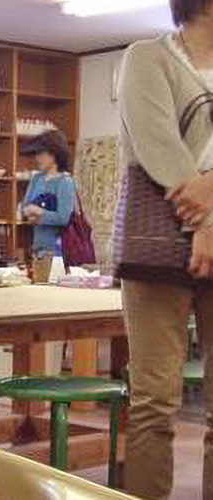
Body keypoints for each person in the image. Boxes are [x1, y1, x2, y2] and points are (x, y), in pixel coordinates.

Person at [114, 1, 213, 498]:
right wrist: (207, 221)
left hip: (196, 226)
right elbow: (157, 146)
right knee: (154, 401)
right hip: (155, 241)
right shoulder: (147, 57)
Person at [20, 129, 75, 258]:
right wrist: (32, 213)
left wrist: (39, 213)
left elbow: (63, 218)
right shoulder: (36, 178)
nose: (37, 158)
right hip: (36, 249)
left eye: (41, 153)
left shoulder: (65, 182)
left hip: (57, 251)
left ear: (54, 154)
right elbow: (25, 208)